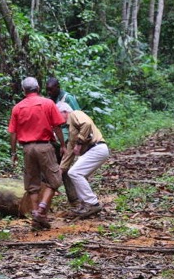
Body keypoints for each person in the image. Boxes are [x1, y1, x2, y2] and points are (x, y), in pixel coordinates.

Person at [8, 77, 66, 230]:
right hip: (44, 146)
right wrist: (63, 144)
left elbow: (13, 133)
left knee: (32, 184)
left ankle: (36, 216)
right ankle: (41, 209)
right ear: (38, 88)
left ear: (24, 90)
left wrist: (13, 152)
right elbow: (57, 126)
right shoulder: (48, 103)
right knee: (54, 179)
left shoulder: (17, 107)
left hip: (27, 149)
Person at [56, 102, 110, 219]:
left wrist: (79, 143)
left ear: (64, 112)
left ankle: (92, 203)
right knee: (78, 175)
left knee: (75, 173)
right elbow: (70, 151)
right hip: (95, 150)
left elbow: (87, 124)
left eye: (58, 115)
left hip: (97, 147)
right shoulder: (71, 128)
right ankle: (84, 204)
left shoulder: (75, 114)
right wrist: (60, 170)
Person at [45, 77, 80, 207]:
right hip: (53, 139)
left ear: (57, 87)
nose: (49, 92)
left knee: (63, 169)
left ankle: (75, 200)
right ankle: (45, 201)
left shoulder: (68, 98)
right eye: (47, 90)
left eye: (51, 90)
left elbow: (78, 116)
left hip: (66, 137)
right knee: (52, 168)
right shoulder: (48, 100)